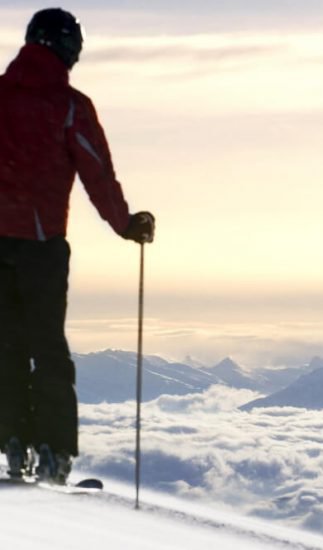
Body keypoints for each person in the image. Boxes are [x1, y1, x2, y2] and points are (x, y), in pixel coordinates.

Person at [0, 8, 155, 484]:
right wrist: (127, 224)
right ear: (68, 48)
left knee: (4, 343)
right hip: (43, 245)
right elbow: (96, 174)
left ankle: (11, 441)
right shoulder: (69, 105)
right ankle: (54, 450)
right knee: (48, 345)